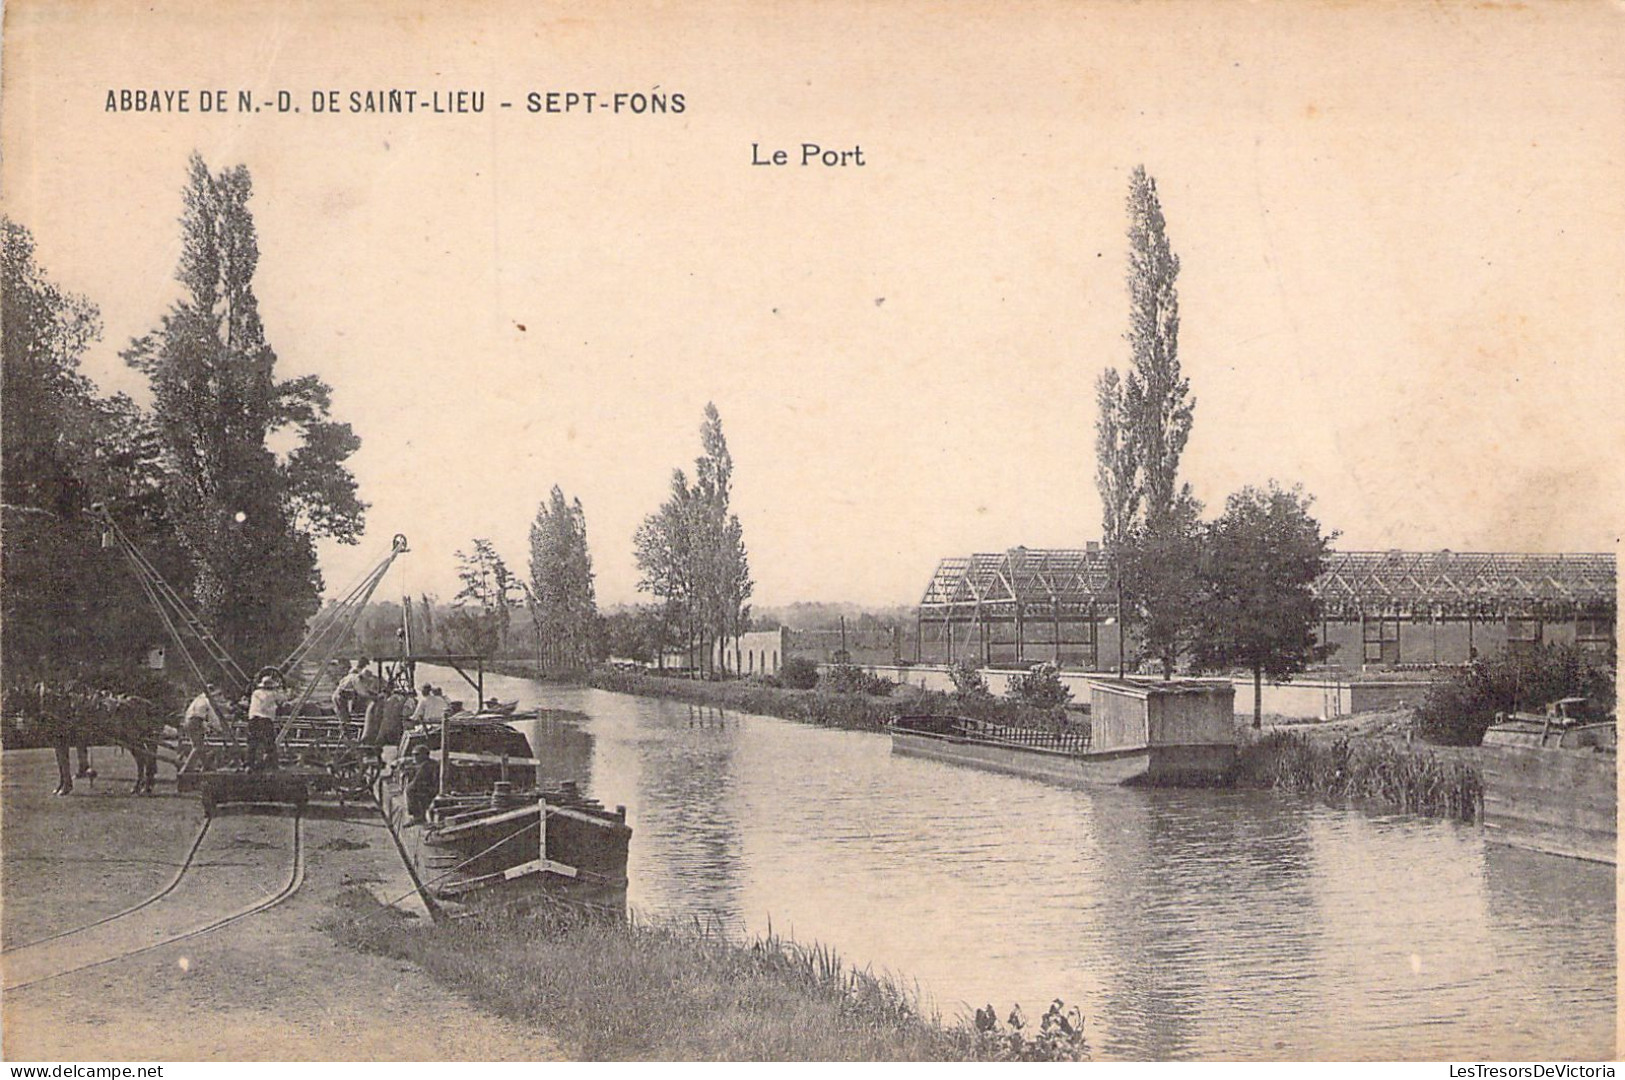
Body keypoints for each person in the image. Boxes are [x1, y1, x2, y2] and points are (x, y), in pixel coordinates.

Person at [247, 673, 285, 772]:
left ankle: (249, 765)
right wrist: (281, 688)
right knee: (270, 744)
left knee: (253, 743)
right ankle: (274, 766)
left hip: (253, 719)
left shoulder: (255, 693)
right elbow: (283, 699)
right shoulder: (273, 694)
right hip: (265, 720)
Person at [181, 684, 222, 771]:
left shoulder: (198, 699)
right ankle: (185, 770)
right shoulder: (207, 700)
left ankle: (207, 767)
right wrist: (218, 728)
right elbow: (212, 716)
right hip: (196, 722)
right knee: (198, 747)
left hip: (189, 721)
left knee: (199, 746)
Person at [404, 743, 439, 823]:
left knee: (409, 790)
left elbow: (416, 782)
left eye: (417, 755)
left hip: (433, 790)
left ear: (424, 755)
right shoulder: (430, 762)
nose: (414, 757)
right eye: (413, 755)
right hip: (432, 786)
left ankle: (417, 816)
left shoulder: (425, 766)